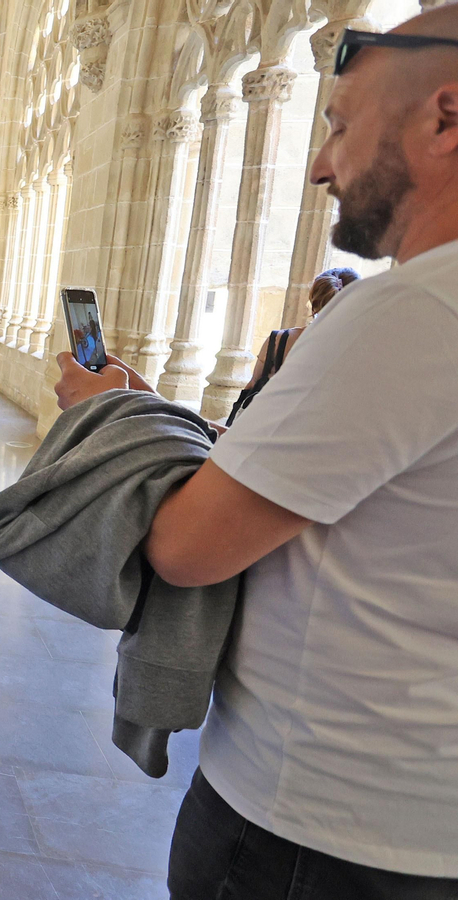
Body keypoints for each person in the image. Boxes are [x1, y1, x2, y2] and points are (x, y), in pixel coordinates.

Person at [54, 10, 458, 896]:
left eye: (342, 125)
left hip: (315, 827)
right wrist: (151, 405)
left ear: (445, 116)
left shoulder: (410, 314)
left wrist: (112, 418)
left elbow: (185, 547)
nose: (319, 162)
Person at [225, 267, 360, 425]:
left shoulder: (280, 340)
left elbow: (253, 385)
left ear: (313, 300)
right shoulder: (361, 350)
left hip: (271, 433)